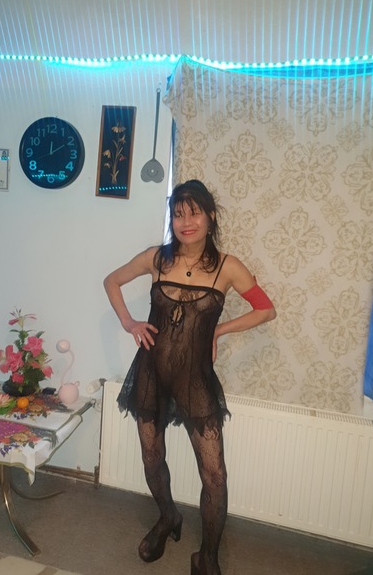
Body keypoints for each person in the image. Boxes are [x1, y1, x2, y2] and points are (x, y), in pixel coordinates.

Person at [103, 179, 276, 575]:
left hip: (194, 379)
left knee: (215, 474)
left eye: (194, 212)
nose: (185, 222)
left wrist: (219, 330)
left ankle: (207, 555)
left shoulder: (228, 266)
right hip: (150, 372)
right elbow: (111, 281)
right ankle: (168, 517)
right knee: (152, 456)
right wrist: (129, 322)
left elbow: (266, 310)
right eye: (178, 214)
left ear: (210, 216)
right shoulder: (156, 258)